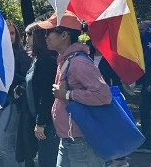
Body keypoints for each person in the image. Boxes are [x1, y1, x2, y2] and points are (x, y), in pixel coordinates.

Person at [42, 11, 111, 167]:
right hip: (70, 139)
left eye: (49, 31)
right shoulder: (67, 60)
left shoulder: (78, 62)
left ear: (64, 35)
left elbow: (104, 95)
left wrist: (67, 94)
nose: (45, 36)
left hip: (81, 141)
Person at [18, 21, 58, 167]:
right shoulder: (36, 59)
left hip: (47, 122)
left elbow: (47, 95)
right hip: (35, 119)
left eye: (29, 35)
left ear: (38, 37)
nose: (26, 39)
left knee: (47, 161)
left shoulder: (46, 61)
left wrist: (41, 123)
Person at [0, 20, 32, 167]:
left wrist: (9, 75)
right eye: (6, 33)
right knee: (9, 145)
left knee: (4, 146)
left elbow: (27, 81)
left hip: (13, 103)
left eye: (12, 33)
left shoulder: (22, 56)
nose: (9, 36)